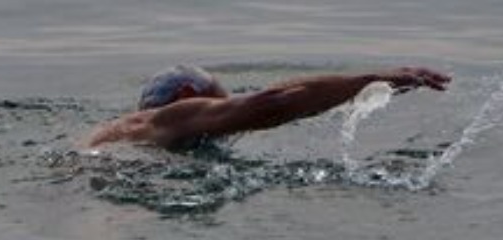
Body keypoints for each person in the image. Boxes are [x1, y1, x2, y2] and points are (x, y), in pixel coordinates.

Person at [85, 64, 451, 151]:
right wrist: (376, 81)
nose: (230, 114)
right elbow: (273, 104)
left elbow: (268, 96)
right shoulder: (175, 115)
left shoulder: (122, 131)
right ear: (187, 95)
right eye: (220, 103)